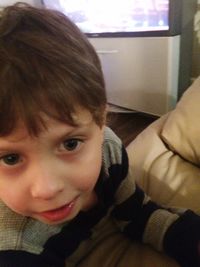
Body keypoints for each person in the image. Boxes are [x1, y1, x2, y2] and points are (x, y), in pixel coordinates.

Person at [0, 3, 199, 267]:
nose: (47, 188)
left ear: (101, 119)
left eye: (70, 144)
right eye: (11, 158)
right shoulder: (14, 248)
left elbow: (135, 213)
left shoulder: (108, 148)